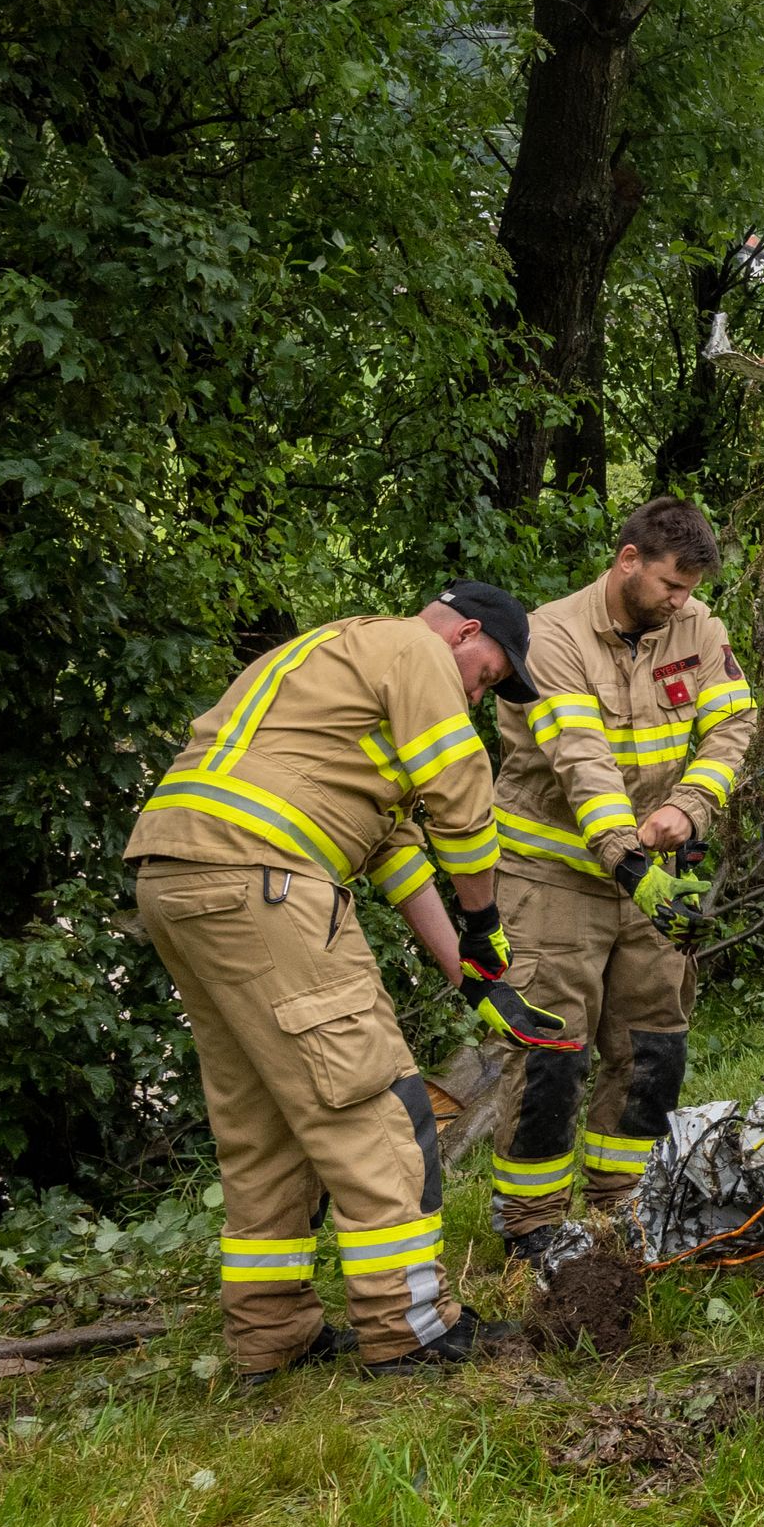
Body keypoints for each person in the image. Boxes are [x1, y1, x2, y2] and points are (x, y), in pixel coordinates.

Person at [124, 585, 583, 1374]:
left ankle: (272, 1336)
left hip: (177, 881)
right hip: (264, 880)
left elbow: (392, 850)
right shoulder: (415, 652)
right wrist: (485, 920)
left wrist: (475, 979)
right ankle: (410, 1329)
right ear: (464, 632)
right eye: (484, 676)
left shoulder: (327, 658)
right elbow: (461, 801)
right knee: (377, 1109)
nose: (475, 696)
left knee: (263, 1123)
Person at [485, 499, 757, 1263]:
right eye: (671, 584)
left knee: (651, 1048)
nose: (681, 602)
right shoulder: (551, 635)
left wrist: (691, 807)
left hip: (652, 877)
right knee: (549, 1054)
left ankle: (621, 1215)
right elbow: (581, 759)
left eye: (692, 588)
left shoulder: (699, 627)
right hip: (553, 880)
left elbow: (735, 723)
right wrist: (627, 857)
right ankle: (532, 1229)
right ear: (628, 560)